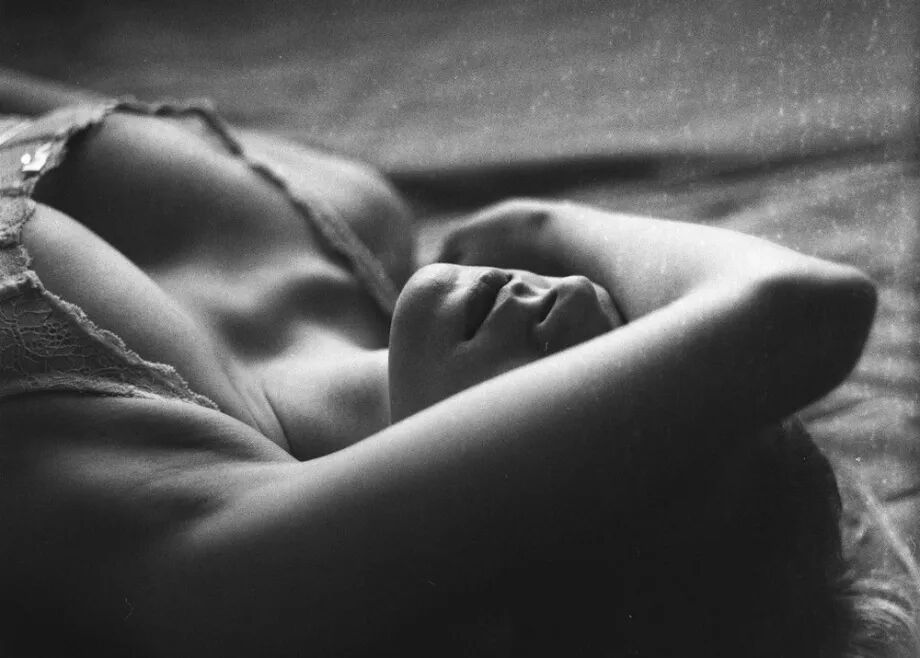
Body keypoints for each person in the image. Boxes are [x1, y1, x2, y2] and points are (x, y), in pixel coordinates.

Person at [0, 72, 916, 657]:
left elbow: (798, 308)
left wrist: (545, 223)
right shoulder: (357, 225)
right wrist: (539, 229)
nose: (586, 302)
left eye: (605, 396)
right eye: (646, 332)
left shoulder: (223, 554)